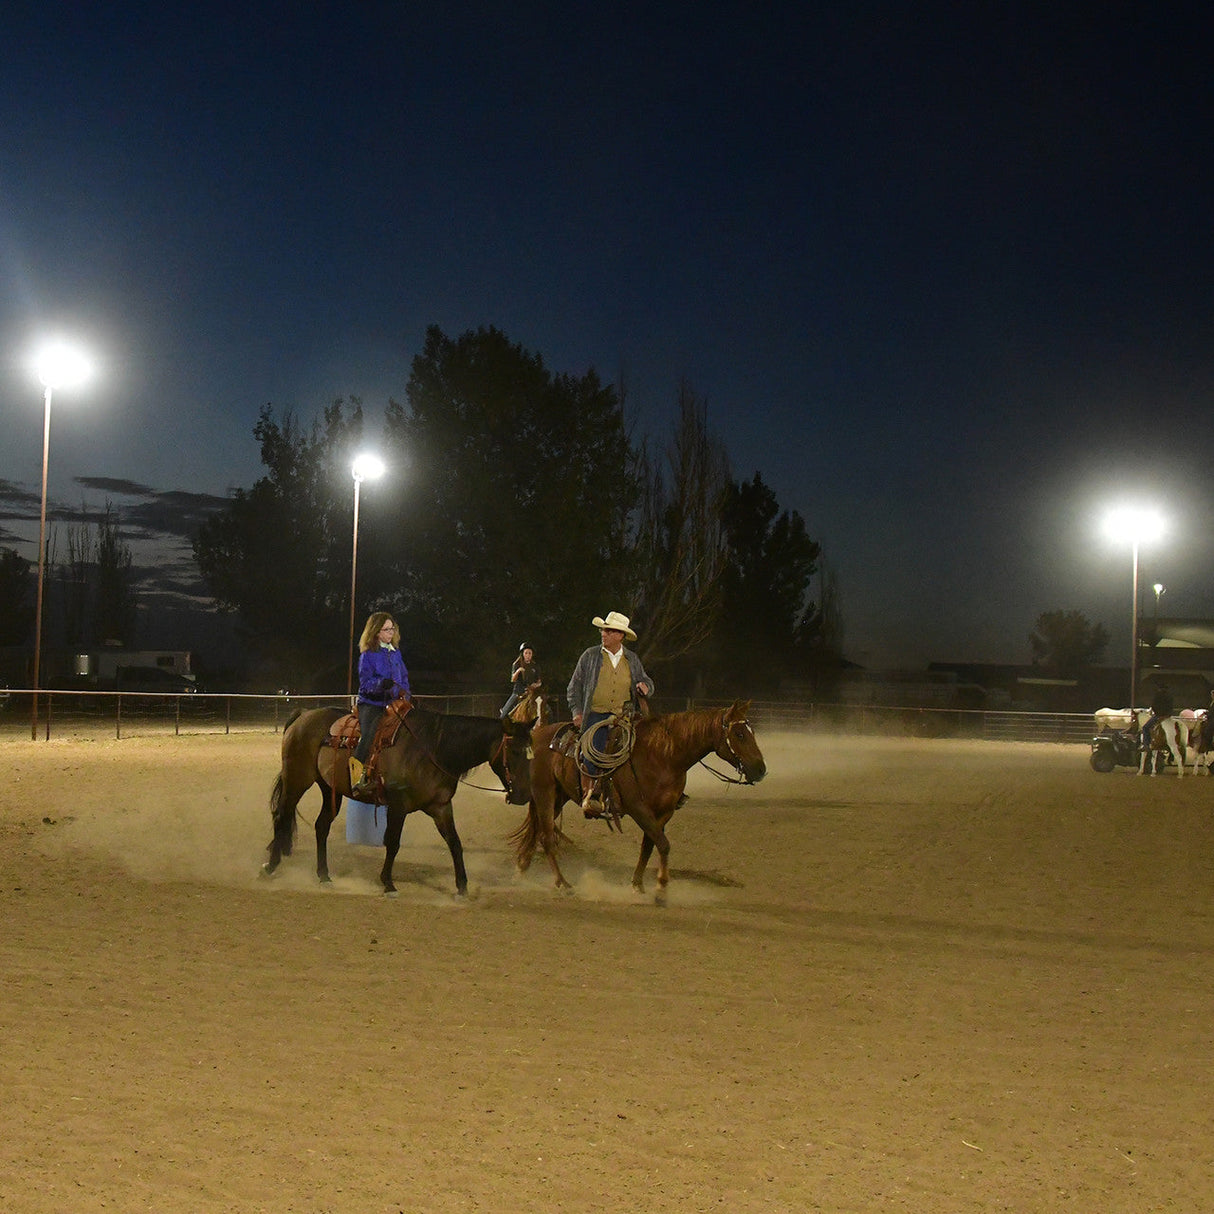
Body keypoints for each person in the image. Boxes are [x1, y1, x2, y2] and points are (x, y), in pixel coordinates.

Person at [566, 611, 654, 816]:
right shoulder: (590, 656)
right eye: (603, 630)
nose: (603, 634)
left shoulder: (632, 659)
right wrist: (577, 712)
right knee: (593, 749)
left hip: (624, 715)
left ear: (620, 636)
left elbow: (647, 681)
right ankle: (592, 795)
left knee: (650, 744)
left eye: (608, 630)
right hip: (596, 714)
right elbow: (574, 686)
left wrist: (646, 687)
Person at [349, 612, 411, 798]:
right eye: (386, 629)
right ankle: (356, 780)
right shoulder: (368, 655)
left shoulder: (396, 653)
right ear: (376, 632)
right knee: (368, 736)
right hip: (372, 703)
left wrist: (405, 697)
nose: (391, 632)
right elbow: (365, 683)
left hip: (396, 703)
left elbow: (405, 679)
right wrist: (380, 685)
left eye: (392, 628)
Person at [500, 643, 542, 719]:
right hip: (519, 692)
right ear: (522, 654)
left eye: (530, 653)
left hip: (531, 693)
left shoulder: (535, 666)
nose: (528, 655)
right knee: (504, 713)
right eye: (526, 653)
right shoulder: (517, 664)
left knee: (547, 709)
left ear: (532, 654)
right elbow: (513, 680)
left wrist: (536, 685)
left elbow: (539, 681)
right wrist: (518, 671)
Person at [1139, 681, 1175, 754]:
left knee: (1145, 727)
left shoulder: (1158, 695)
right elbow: (1171, 707)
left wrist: (1156, 712)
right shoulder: (1170, 696)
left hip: (1159, 715)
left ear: (1159, 688)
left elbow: (1154, 705)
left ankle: (1146, 745)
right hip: (1168, 716)